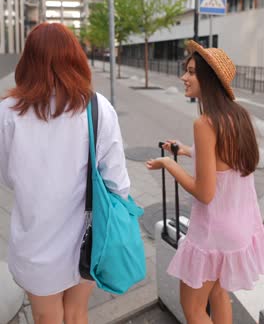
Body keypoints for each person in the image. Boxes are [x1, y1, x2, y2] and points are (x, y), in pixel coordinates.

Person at [0, 23, 130, 324]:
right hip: (88, 239)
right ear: (76, 58)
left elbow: (6, 176)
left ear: (27, 60)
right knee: (76, 313)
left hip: (35, 241)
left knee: (47, 317)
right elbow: (118, 183)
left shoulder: (8, 112)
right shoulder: (98, 108)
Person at [146, 40, 264, 324]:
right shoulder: (239, 117)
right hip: (238, 229)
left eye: (191, 72)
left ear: (208, 80)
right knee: (220, 296)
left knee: (194, 309)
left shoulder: (205, 123)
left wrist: (170, 165)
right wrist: (187, 151)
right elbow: (226, 162)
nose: (183, 78)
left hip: (212, 232)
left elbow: (205, 192)